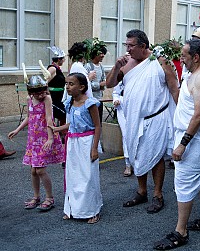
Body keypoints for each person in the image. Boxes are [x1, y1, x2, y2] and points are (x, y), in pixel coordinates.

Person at [154, 39, 200, 250]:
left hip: (196, 140)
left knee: (184, 182)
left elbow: (199, 115)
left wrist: (183, 144)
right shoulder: (195, 74)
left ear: (196, 57)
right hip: (194, 137)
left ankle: (181, 232)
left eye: (184, 55)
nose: (181, 58)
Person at [105, 29, 179, 213]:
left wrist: (182, 116)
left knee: (156, 156)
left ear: (143, 46)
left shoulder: (161, 61)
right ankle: (141, 191)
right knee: (136, 153)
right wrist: (115, 67)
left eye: (131, 46)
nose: (128, 49)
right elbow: (109, 84)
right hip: (133, 119)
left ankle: (158, 194)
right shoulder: (127, 64)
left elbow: (174, 89)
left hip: (156, 118)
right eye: (126, 45)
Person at [8, 75, 64, 211]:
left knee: (40, 169)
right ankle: (36, 196)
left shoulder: (47, 99)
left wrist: (51, 138)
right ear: (30, 92)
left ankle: (49, 198)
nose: (40, 94)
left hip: (44, 138)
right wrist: (17, 129)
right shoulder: (29, 99)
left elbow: (49, 119)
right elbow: (29, 116)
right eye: (37, 92)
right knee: (33, 170)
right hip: (33, 139)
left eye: (43, 91)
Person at [51, 73, 102, 223]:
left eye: (71, 84)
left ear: (82, 87)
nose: (67, 86)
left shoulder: (90, 103)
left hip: (87, 142)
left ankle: (92, 210)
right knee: (73, 176)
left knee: (88, 176)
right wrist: (57, 129)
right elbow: (72, 124)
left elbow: (97, 126)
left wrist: (94, 148)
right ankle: (73, 208)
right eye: (66, 84)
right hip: (73, 142)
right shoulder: (69, 103)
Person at [84, 38, 107, 122]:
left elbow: (104, 79)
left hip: (99, 98)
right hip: (90, 99)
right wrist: (99, 85)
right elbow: (86, 83)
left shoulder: (101, 67)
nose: (103, 55)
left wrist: (103, 85)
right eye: (101, 53)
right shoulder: (88, 66)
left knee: (99, 121)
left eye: (103, 53)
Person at [112, 81, 132, 177]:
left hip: (135, 105)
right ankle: (127, 163)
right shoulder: (121, 75)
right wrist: (116, 100)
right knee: (126, 135)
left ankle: (138, 162)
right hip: (122, 107)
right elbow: (115, 92)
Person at [46, 46, 66, 125]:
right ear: (59, 59)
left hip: (59, 97)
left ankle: (60, 133)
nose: (64, 61)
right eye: (63, 59)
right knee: (62, 114)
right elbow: (45, 82)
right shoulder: (53, 68)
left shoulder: (57, 68)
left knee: (63, 115)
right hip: (54, 98)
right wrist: (48, 95)